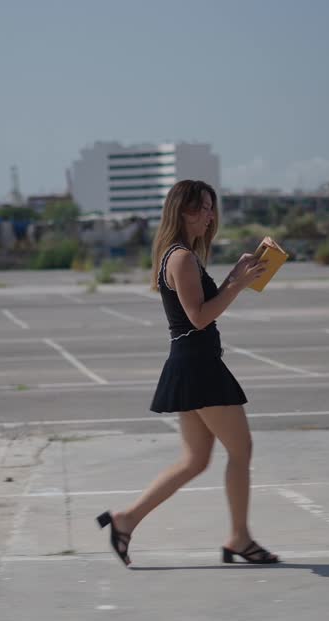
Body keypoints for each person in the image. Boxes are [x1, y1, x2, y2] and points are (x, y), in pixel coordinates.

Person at [96, 179, 280, 567]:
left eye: (212, 207)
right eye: (202, 207)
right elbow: (198, 317)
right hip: (198, 367)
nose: (209, 215)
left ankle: (125, 520)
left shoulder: (183, 256)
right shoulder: (180, 258)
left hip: (192, 364)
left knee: (195, 460)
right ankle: (239, 538)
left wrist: (234, 277)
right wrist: (237, 286)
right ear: (182, 211)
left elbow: (203, 305)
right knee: (241, 449)